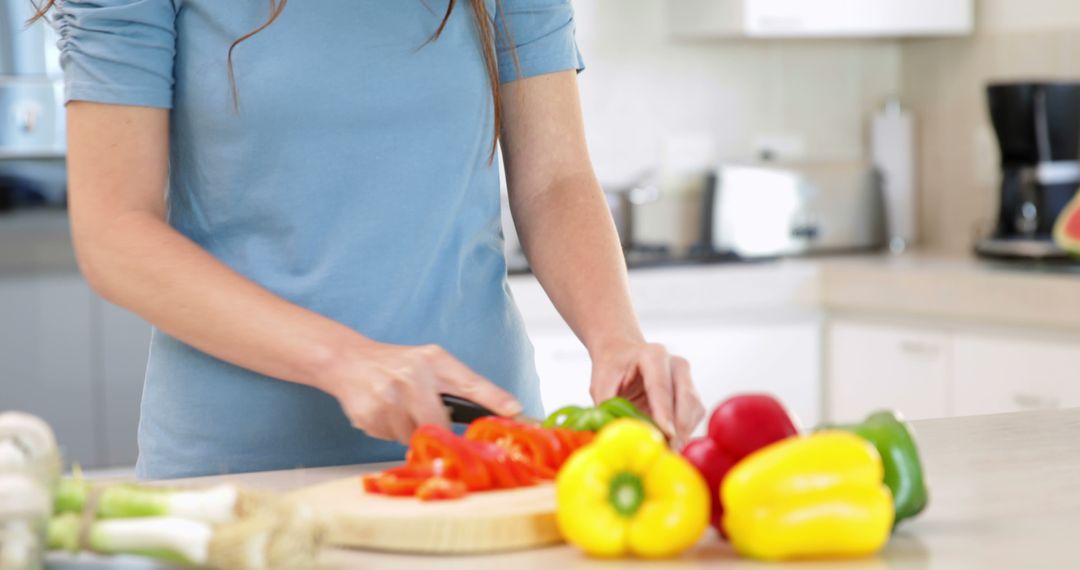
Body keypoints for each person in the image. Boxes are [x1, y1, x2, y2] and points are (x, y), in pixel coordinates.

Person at [39, 0, 705, 479]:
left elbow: (554, 180)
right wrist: (344, 359)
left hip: (487, 455)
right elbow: (115, 232)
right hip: (242, 469)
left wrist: (614, 337)